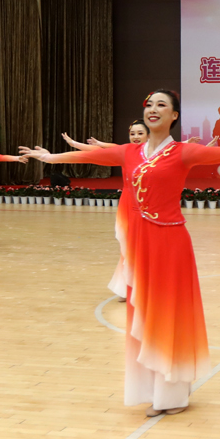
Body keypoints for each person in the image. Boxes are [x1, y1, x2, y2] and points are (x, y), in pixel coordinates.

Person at [21, 90, 220, 417]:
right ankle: (154, 388)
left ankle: (173, 393)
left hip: (170, 242)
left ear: (174, 116)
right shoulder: (129, 152)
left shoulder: (183, 152)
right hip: (141, 242)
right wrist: (51, 158)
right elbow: (91, 157)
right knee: (146, 314)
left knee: (169, 314)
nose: (153, 110)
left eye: (161, 105)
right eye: (149, 105)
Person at [62, 121, 150, 303]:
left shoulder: (156, 154)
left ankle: (146, 288)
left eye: (140, 133)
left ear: (149, 135)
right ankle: (127, 287)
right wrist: (75, 144)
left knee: (148, 248)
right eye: (132, 133)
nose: (135, 137)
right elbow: (98, 151)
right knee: (129, 247)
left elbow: (176, 151)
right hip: (129, 204)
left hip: (150, 204)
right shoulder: (125, 151)